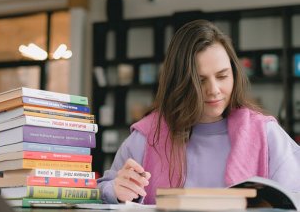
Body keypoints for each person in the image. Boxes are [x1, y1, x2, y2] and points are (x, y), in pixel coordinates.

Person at [97, 19, 300, 205]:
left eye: (222, 76)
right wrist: (114, 190)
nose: (213, 90)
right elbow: (100, 191)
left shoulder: (266, 134)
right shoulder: (148, 136)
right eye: (200, 80)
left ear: (235, 74)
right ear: (179, 83)